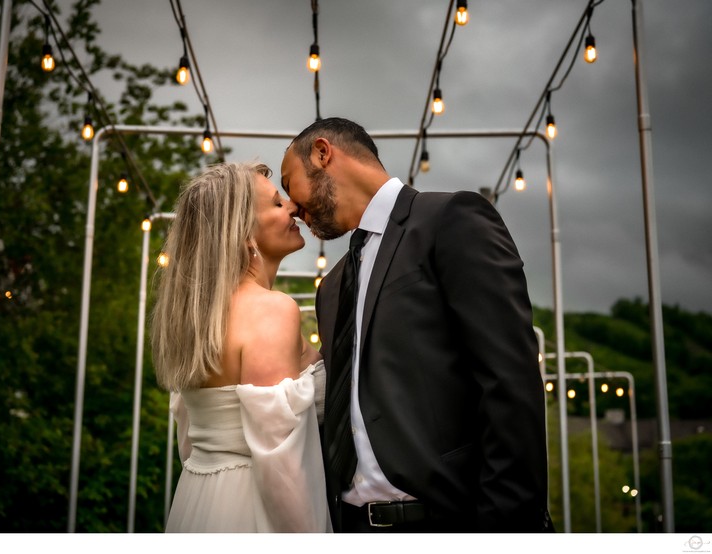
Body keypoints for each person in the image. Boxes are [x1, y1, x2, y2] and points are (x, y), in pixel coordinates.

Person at [280, 117, 553, 532]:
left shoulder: (450, 219)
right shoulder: (331, 287)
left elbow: (509, 383)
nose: (293, 208)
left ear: (322, 153)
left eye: (289, 184)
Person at [150, 161, 331, 532]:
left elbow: (188, 439)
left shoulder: (197, 317)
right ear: (243, 231)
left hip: (198, 496)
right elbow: (281, 460)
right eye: (278, 204)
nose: (294, 207)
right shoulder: (272, 311)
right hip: (252, 509)